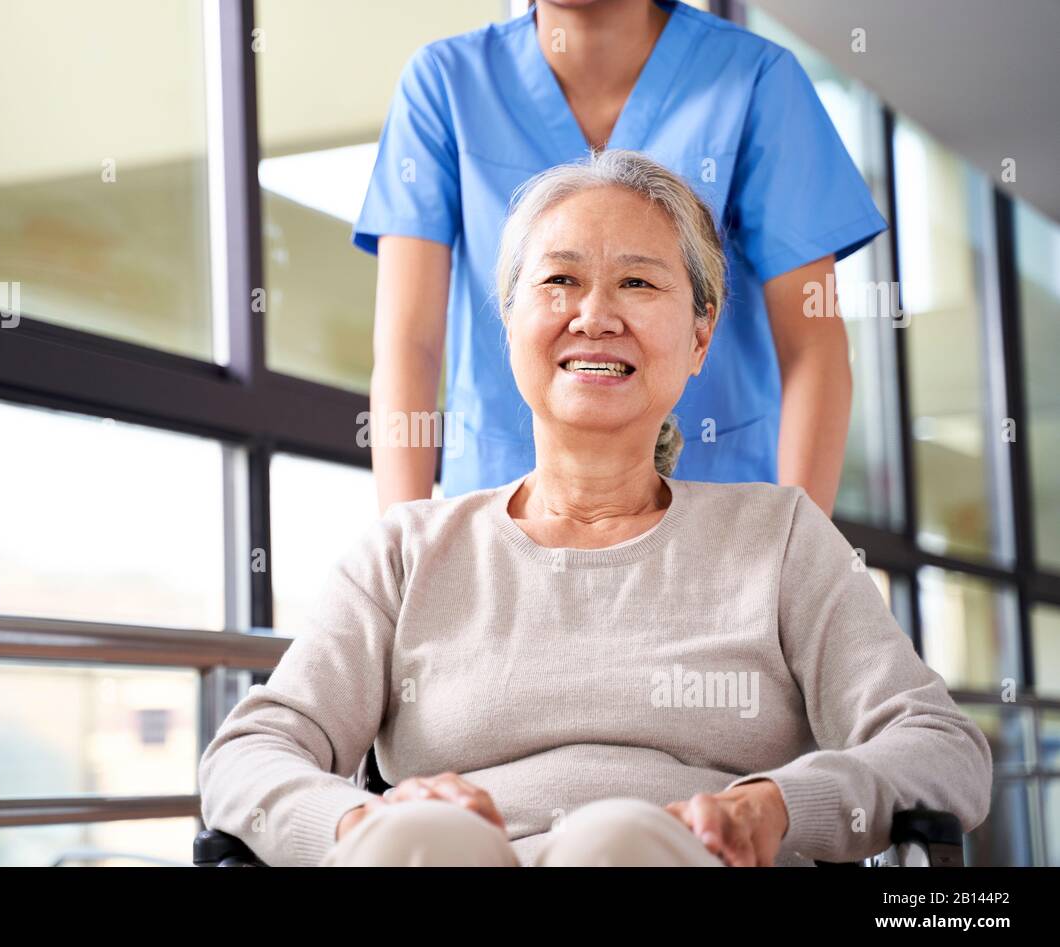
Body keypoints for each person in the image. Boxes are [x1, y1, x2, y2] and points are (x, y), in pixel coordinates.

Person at [197, 152, 990, 867]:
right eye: (559, 280)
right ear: (510, 322)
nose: (595, 315)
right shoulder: (408, 552)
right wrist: (355, 823)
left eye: (639, 283)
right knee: (420, 840)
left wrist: (777, 805)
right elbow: (250, 752)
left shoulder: (778, 537)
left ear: (700, 337)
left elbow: (941, 748)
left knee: (619, 841)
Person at [355, 0, 886, 516]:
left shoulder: (755, 80)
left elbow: (813, 347)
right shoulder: (446, 83)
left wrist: (797, 556)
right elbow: (410, 345)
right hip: (501, 510)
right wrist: (405, 558)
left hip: (718, 506)